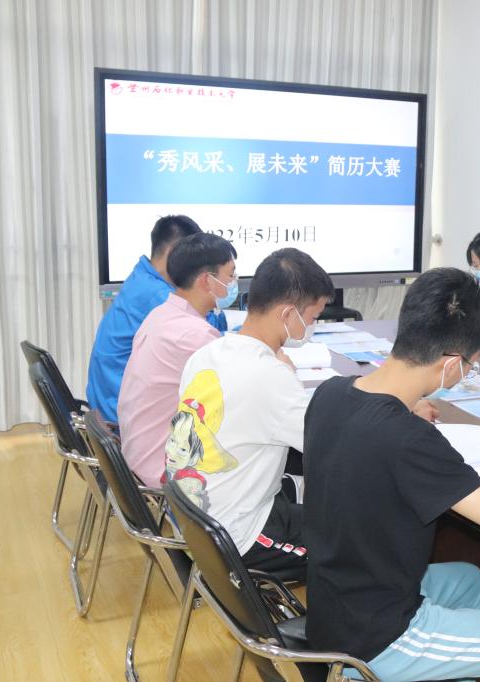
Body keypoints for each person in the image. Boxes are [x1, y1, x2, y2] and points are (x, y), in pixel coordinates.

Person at [301, 267, 480, 681]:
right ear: (451, 363)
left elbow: (371, 440)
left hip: (333, 606)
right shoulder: (408, 438)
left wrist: (407, 409)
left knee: (468, 582)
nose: (468, 373)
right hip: (379, 637)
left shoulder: (330, 394)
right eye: (471, 364)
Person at [163, 247, 331, 577]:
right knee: (362, 539)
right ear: (287, 314)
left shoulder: (206, 354)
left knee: (305, 487)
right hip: (238, 538)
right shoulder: (270, 376)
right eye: (312, 318)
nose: (312, 326)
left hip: (194, 519)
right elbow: (331, 444)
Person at [116, 233, 237, 487]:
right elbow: (234, 400)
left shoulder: (161, 314)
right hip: (163, 469)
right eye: (230, 275)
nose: (233, 282)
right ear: (207, 280)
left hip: (137, 457)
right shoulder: (196, 335)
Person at [87, 215, 228, 422]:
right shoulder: (158, 295)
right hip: (118, 412)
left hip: (108, 401)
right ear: (175, 253)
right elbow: (208, 342)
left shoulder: (143, 277)